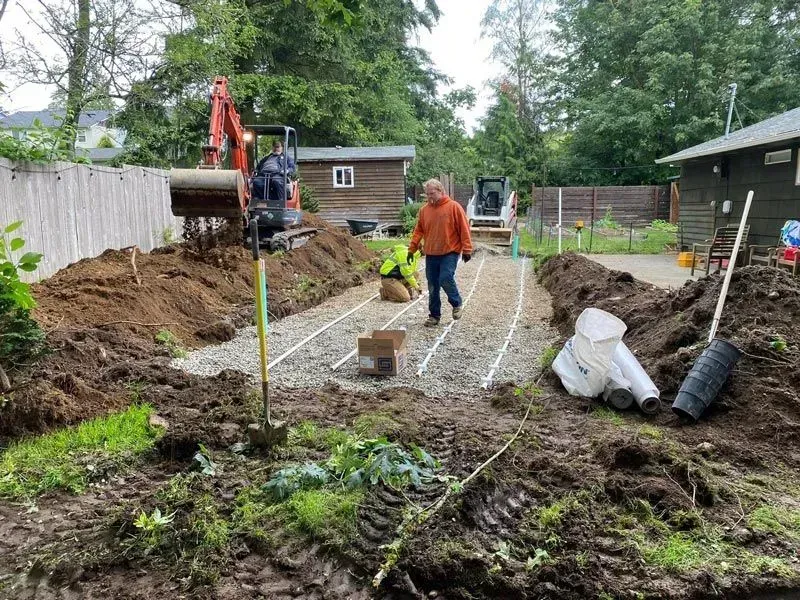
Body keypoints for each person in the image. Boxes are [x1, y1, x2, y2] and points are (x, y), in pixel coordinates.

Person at [408, 178, 473, 327]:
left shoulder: (454, 207)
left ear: (441, 191)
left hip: (450, 251)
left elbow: (464, 229)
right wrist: (412, 249)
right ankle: (434, 315)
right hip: (431, 253)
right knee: (432, 285)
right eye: (427, 194)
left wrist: (467, 249)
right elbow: (418, 231)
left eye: (432, 193)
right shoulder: (424, 211)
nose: (429, 197)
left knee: (445, 278)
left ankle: (456, 303)